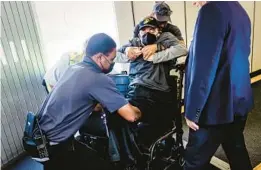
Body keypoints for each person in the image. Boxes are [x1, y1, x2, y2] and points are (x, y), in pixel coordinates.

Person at [34, 33, 142, 170]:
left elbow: (81, 100)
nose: (112, 63)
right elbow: (131, 116)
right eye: (112, 59)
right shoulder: (97, 78)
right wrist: (139, 110)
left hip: (39, 139)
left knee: (90, 157)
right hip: (55, 146)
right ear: (100, 57)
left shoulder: (74, 68)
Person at [183, 2, 253, 170]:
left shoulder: (211, 10)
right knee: (236, 151)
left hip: (215, 106)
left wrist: (194, 111)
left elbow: (204, 67)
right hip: (239, 100)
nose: (195, 2)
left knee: (194, 162)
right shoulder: (239, 10)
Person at [116, 16, 187, 145]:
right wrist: (127, 52)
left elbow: (182, 49)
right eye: (144, 30)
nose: (147, 32)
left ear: (158, 30)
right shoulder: (134, 43)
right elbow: (114, 55)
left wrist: (157, 49)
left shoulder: (165, 37)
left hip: (159, 91)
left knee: (161, 124)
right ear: (139, 33)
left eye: (151, 29)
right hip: (137, 89)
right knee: (126, 118)